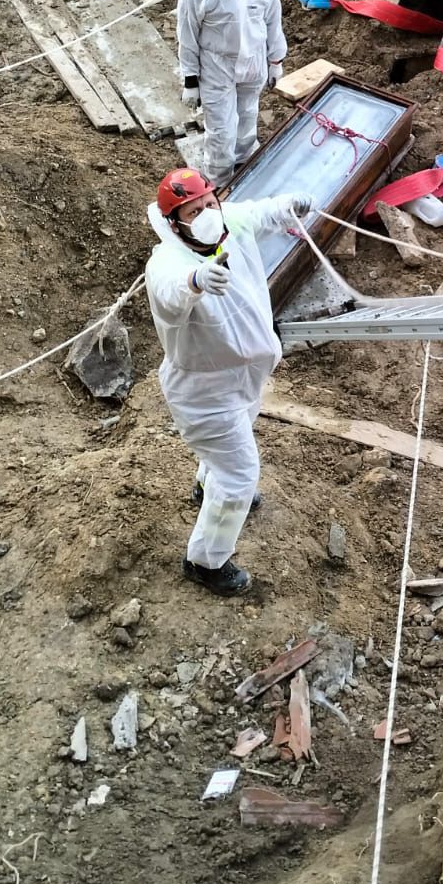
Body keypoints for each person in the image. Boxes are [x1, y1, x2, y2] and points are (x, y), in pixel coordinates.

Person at [145, 166, 314, 597]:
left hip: (244, 377)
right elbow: (167, 292)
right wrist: (195, 281)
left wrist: (286, 206)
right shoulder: (169, 261)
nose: (205, 213)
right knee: (240, 477)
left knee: (225, 461)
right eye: (192, 210)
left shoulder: (226, 224)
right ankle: (205, 561)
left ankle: (207, 485)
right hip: (205, 393)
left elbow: (256, 213)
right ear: (174, 222)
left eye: (208, 203)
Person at [177, 0, 287, 187]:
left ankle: (243, 162)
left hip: (253, 62)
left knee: (247, 117)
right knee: (222, 131)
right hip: (217, 67)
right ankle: (218, 182)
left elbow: (273, 22)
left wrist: (275, 60)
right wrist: (191, 78)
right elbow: (187, 35)